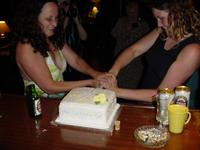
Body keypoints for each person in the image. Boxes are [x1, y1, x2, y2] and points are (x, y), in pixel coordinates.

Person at [100, 0, 200, 107]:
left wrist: (115, 91)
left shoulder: (193, 50)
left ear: (179, 14)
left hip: (163, 111)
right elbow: (133, 51)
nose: (158, 24)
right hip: (143, 103)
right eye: (156, 18)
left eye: (161, 18)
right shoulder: (161, 32)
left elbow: (162, 94)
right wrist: (112, 73)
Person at [14, 0, 103, 98]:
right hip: (40, 108)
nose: (55, 24)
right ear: (33, 18)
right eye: (49, 19)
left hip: (58, 103)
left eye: (56, 18)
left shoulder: (52, 38)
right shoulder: (26, 47)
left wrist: (95, 73)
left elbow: (75, 60)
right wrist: (89, 82)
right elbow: (49, 86)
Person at [111, 0, 149, 89]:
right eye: (129, 10)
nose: (131, 13)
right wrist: (126, 27)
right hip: (120, 56)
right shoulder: (121, 21)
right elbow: (113, 33)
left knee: (134, 85)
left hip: (136, 62)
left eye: (134, 10)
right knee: (118, 82)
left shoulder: (143, 25)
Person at [58, 0, 88, 80]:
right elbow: (58, 36)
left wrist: (76, 21)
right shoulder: (55, 19)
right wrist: (66, 18)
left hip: (76, 58)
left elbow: (84, 37)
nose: (67, 7)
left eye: (68, 4)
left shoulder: (74, 20)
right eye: (65, 4)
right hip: (62, 58)